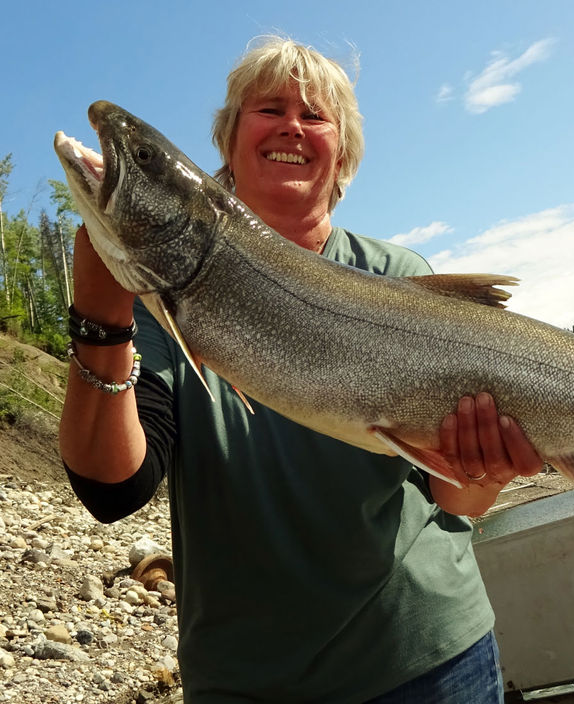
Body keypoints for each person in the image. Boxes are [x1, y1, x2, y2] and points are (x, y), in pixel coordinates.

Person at [59, 36, 542, 703]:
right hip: (246, 683)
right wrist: (100, 321)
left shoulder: (399, 278)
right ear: (228, 142)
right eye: (269, 109)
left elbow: (455, 500)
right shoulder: (159, 307)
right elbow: (112, 489)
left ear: (341, 153)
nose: (292, 124)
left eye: (315, 115)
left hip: (427, 660)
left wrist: (484, 469)